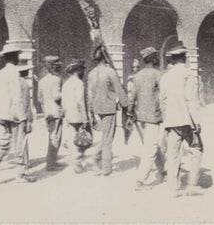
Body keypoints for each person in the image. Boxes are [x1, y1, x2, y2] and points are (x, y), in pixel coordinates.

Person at [0, 44, 30, 186]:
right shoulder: (14, 72)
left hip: (2, 114)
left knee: (3, 145)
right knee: (19, 144)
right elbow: (17, 96)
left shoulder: (1, 73)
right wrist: (23, 117)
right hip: (15, 115)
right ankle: (21, 174)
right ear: (15, 57)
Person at [159, 42, 203, 197]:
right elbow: (191, 99)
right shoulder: (188, 74)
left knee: (173, 154)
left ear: (172, 59)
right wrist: (196, 121)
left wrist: (166, 120)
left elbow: (162, 101)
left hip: (171, 121)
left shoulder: (165, 77)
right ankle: (192, 184)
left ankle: (173, 188)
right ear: (184, 57)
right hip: (187, 120)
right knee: (197, 150)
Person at [87, 45, 129, 176]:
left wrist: (91, 111)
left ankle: (97, 156)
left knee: (106, 136)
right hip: (109, 107)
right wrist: (126, 105)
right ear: (105, 58)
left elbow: (89, 94)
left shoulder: (91, 73)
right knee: (108, 138)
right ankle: (106, 168)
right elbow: (119, 90)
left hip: (96, 107)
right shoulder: (110, 72)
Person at [128, 47, 166, 190]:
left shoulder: (137, 76)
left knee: (152, 144)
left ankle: (163, 170)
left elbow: (132, 97)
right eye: (156, 56)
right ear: (153, 59)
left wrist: (131, 113)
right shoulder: (157, 75)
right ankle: (140, 181)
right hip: (153, 117)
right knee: (151, 148)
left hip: (140, 118)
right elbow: (164, 96)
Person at [62, 59, 89, 174]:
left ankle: (75, 160)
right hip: (77, 115)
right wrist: (85, 119)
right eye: (82, 70)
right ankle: (76, 163)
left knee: (72, 138)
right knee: (81, 140)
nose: (83, 72)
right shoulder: (79, 83)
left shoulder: (66, 83)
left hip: (69, 114)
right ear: (77, 71)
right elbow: (80, 102)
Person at [38, 55, 64, 171]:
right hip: (55, 112)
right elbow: (56, 96)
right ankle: (50, 163)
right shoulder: (56, 80)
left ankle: (52, 161)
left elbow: (39, 98)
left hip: (47, 112)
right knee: (55, 138)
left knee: (52, 136)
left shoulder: (42, 80)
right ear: (55, 67)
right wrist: (66, 93)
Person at [15, 63, 36, 182]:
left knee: (17, 144)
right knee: (22, 144)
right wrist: (29, 120)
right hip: (23, 117)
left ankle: (23, 167)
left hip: (15, 117)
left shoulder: (15, 83)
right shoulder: (24, 84)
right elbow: (27, 104)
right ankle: (22, 171)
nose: (28, 72)